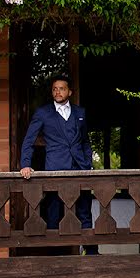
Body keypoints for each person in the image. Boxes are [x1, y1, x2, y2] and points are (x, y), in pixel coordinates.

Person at [19, 74, 95, 247]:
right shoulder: (43, 113)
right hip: (55, 168)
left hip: (80, 168)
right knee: (54, 211)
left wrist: (88, 162)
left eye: (61, 88)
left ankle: (90, 252)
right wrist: (25, 164)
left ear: (70, 91)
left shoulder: (80, 112)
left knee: (84, 210)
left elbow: (85, 141)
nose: (57, 92)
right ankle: (55, 254)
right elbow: (28, 141)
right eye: (54, 89)